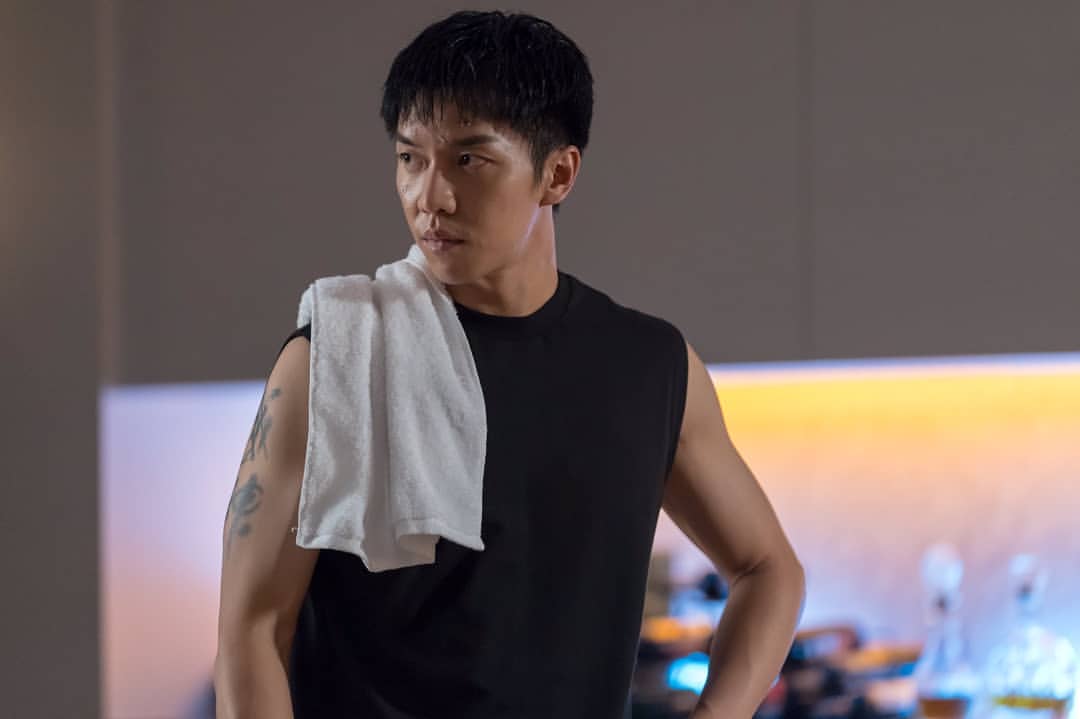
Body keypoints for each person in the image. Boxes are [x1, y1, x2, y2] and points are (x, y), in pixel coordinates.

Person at [214, 10, 805, 719]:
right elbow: (252, 631)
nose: (430, 197)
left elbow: (769, 569)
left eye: (469, 160)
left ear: (557, 173)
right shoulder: (333, 356)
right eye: (410, 159)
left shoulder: (650, 366)